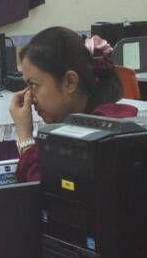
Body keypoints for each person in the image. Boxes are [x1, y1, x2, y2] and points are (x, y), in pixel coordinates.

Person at [9, 26, 138, 182]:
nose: (29, 96)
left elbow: (45, 185)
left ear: (70, 82)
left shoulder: (99, 135)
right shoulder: (76, 125)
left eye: (34, 85)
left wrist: (25, 137)